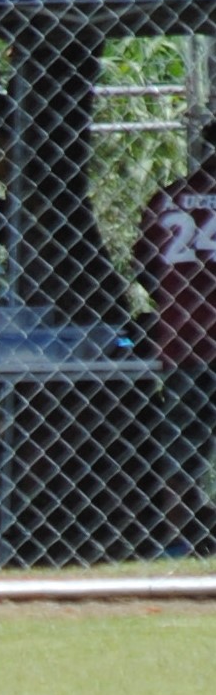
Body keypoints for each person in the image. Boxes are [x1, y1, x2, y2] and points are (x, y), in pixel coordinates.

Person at [134, 152, 216, 554]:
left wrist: (172, 298)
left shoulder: (168, 198)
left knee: (181, 437)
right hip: (193, 335)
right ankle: (183, 532)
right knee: (182, 434)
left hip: (184, 335)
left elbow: (144, 263)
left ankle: (178, 535)